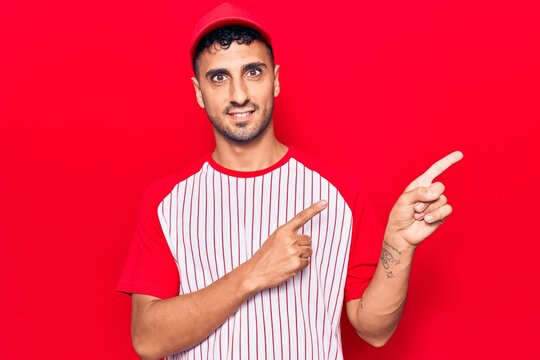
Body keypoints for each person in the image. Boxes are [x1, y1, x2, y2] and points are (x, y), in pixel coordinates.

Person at [117, 3, 464, 359]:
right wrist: (255, 272)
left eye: (253, 72)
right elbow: (148, 340)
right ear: (197, 91)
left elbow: (374, 330)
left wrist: (399, 246)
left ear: (276, 79)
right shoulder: (167, 201)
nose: (238, 94)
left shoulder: (338, 192)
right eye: (219, 77)